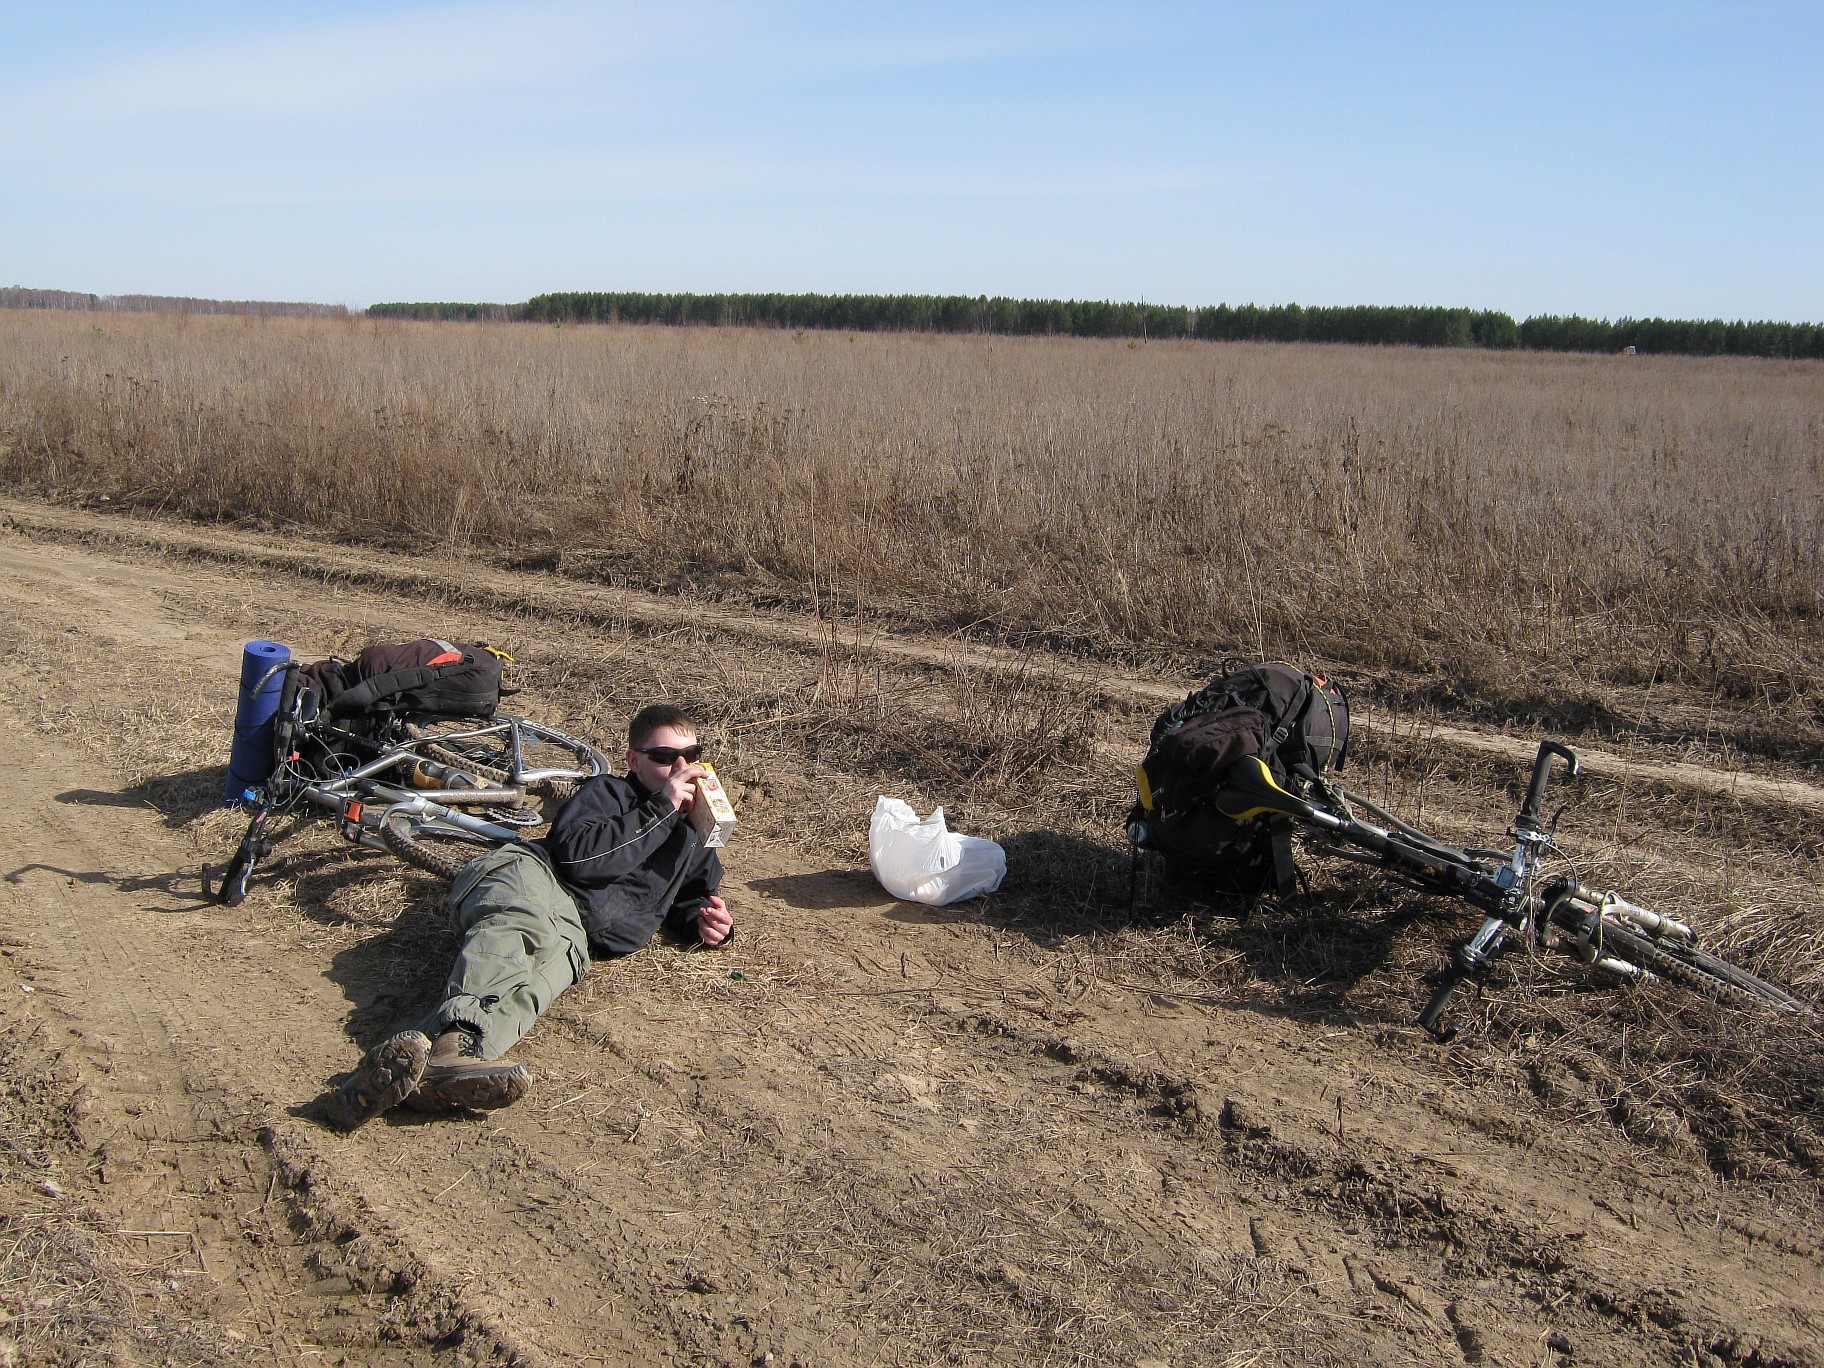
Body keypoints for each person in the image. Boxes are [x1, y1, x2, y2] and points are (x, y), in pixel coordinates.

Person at [321, 703, 733, 1129]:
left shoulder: (694, 829)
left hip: (577, 932)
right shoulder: (608, 793)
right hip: (535, 877)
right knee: (515, 933)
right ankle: (448, 1050)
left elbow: (692, 893)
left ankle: (432, 1069)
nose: (681, 767)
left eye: (692, 755)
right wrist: (660, 810)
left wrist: (704, 920)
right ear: (634, 760)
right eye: (665, 757)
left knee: (532, 990)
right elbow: (581, 861)